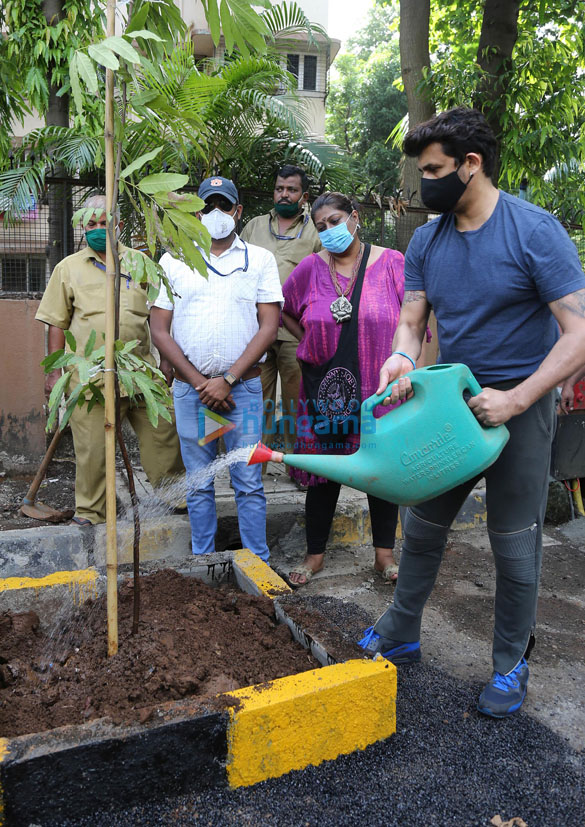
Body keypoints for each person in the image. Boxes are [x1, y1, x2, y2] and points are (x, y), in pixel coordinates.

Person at [358, 107, 585, 718]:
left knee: (513, 543)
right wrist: (400, 360)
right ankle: (402, 630)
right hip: (450, 405)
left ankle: (510, 663)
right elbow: (412, 323)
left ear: (471, 164)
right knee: (423, 526)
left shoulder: (534, 232)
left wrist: (517, 398)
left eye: (434, 171)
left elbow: (579, 333)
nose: (424, 183)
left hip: (520, 407)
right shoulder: (427, 240)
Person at [281, 192, 416, 586]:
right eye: (321, 226)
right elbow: (285, 310)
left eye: (335, 221)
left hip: (380, 389)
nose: (329, 231)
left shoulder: (391, 263)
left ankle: (384, 556)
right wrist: (309, 342)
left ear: (355, 217)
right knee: (325, 472)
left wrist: (414, 372)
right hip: (325, 390)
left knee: (380, 471)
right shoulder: (309, 269)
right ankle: (314, 557)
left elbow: (415, 321)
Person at [150, 176, 283, 561]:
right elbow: (159, 329)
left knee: (248, 481)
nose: (216, 213)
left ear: (238, 211)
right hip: (192, 393)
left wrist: (227, 380)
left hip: (242, 391)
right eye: (207, 206)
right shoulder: (174, 260)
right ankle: (203, 561)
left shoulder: (259, 260)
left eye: (224, 205)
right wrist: (201, 383)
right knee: (198, 482)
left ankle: (257, 562)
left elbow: (269, 327)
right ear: (196, 213)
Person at [36, 194, 185, 525]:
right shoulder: (67, 269)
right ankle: (93, 512)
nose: (98, 229)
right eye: (91, 224)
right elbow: (57, 323)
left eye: (105, 222)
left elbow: (159, 315)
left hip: (141, 372)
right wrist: (54, 373)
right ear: (82, 226)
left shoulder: (141, 264)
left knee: (163, 435)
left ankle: (177, 499)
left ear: (118, 224)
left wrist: (165, 361)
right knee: (92, 450)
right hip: (89, 378)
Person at [240, 165, 321, 457]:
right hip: (255, 331)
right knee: (255, 404)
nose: (284, 194)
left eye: (291, 190)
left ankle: (296, 467)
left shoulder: (315, 231)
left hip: (295, 332)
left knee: (294, 404)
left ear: (304, 196)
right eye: (279, 189)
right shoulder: (254, 226)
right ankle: (254, 467)